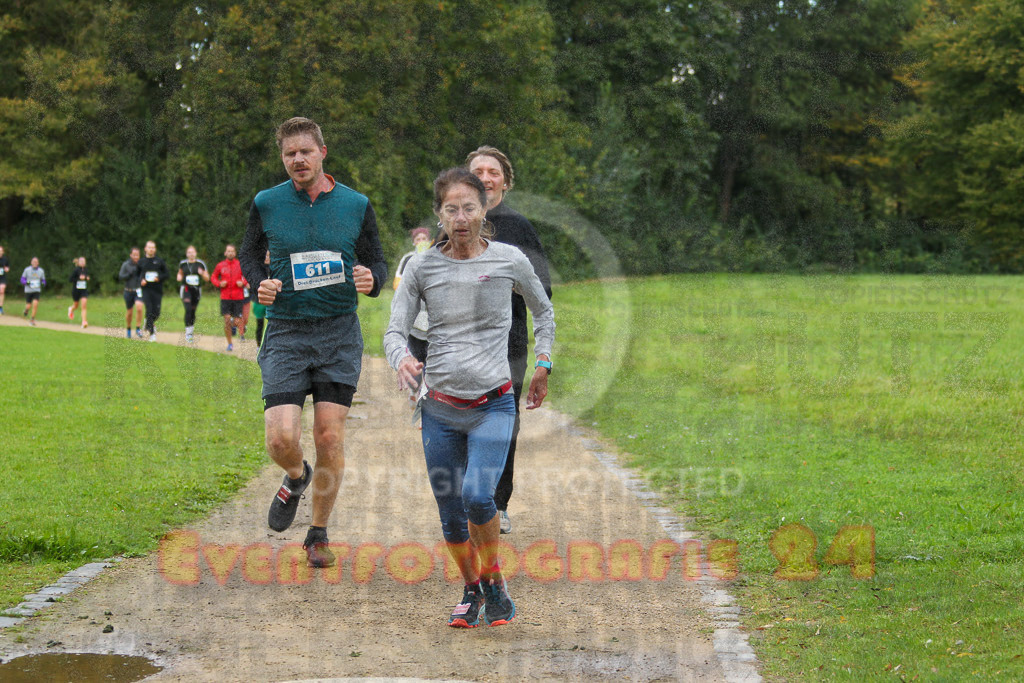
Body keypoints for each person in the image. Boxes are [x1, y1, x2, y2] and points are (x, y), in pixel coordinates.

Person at [384, 168, 554, 628]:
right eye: (451, 209)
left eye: (469, 208)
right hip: (439, 408)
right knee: (450, 516)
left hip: (493, 403)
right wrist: (402, 359)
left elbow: (543, 311)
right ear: (439, 215)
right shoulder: (421, 268)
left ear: (484, 210)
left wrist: (543, 361)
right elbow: (394, 331)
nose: (460, 218)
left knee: (478, 497)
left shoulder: (509, 259)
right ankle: (472, 588)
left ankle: (494, 577)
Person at [239, 116, 388, 567]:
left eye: (305, 151)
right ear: (282, 159)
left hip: (338, 333)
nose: (298, 160)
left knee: (329, 435)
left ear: (322, 152)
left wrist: (372, 280)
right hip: (286, 332)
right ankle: (296, 475)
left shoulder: (356, 204)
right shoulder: (266, 202)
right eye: (290, 154)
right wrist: (259, 283)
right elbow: (248, 254)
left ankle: (318, 533)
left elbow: (376, 261)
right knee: (281, 438)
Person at [467, 145, 553, 534]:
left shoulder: (519, 227)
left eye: (493, 172)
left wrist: (508, 282)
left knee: (502, 422)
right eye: (478, 172)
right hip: (460, 342)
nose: (485, 178)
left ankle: (497, 503)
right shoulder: (453, 222)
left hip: (508, 343)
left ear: (506, 182)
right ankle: (468, 497)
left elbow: (542, 291)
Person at [392, 226, 433, 371]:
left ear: (430, 241)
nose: (421, 241)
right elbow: (397, 284)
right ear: (413, 242)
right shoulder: (408, 259)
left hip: (433, 320)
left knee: (432, 364)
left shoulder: (437, 258)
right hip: (414, 320)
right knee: (414, 360)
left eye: (424, 239)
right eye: (418, 239)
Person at [211, 244, 248, 352]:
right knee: (226, 320)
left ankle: (239, 325)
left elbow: (247, 276)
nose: (230, 253)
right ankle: (230, 344)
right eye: (228, 251)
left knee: (236, 320)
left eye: (232, 251)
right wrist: (219, 283)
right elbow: (213, 277)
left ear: (235, 253)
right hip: (225, 297)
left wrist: (243, 283)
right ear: (225, 253)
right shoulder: (220, 265)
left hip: (238, 297)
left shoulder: (240, 264)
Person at [177, 245, 210, 343]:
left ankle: (191, 330)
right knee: (187, 309)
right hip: (186, 289)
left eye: (192, 252)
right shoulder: (183, 263)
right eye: (189, 252)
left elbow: (207, 278)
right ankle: (188, 333)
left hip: (196, 290)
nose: (191, 254)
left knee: (192, 311)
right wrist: (179, 277)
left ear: (195, 253)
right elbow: (180, 273)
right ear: (186, 254)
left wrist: (202, 273)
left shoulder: (200, 263)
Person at [138, 240, 170, 342]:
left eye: (153, 247)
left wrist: (159, 278)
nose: (151, 249)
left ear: (155, 249)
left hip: (157, 290)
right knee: (149, 309)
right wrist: (141, 280)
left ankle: (147, 322)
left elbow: (167, 274)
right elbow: (136, 275)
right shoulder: (141, 262)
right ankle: (152, 335)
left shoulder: (159, 261)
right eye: (149, 247)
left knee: (156, 313)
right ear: (145, 249)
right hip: (146, 290)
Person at [119, 247, 145, 338]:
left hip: (138, 291)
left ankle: (138, 328)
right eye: (134, 255)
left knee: (139, 308)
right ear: (131, 255)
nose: (136, 257)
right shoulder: (126, 265)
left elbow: (145, 275)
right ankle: (129, 328)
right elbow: (120, 276)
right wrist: (129, 274)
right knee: (129, 312)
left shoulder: (142, 265)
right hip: (128, 291)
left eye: (137, 255)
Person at [251, 251, 270, 347]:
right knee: (260, 324)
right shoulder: (257, 269)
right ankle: (259, 345)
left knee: (271, 325)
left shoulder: (275, 268)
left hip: (272, 301)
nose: (267, 257)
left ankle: (269, 345)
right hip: (259, 301)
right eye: (265, 255)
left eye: (269, 255)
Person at [20, 257, 46, 326]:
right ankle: (26, 310)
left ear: (38, 263)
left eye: (36, 262)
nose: (35, 263)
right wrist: (27, 282)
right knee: (29, 305)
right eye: (33, 262)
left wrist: (43, 283)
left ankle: (32, 319)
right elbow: (22, 279)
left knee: (35, 304)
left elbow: (43, 280)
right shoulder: (27, 270)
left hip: (36, 290)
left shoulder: (41, 271)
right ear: (31, 262)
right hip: (28, 290)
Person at [67, 256, 91, 328]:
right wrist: (78, 278)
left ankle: (84, 322)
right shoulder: (76, 270)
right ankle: (71, 309)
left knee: (84, 305)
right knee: (76, 305)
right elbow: (70, 279)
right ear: (79, 262)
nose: (83, 263)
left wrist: (86, 278)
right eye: (81, 261)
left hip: (83, 290)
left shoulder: (86, 270)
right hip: (76, 290)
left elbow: (86, 277)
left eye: (84, 261)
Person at [0, 245, 10, 315]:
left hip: (2, 278)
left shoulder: (5, 259)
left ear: (3, 252)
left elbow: (7, 267)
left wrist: (7, 269)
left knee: (2, 290)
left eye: (0, 251)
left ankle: (0, 307)